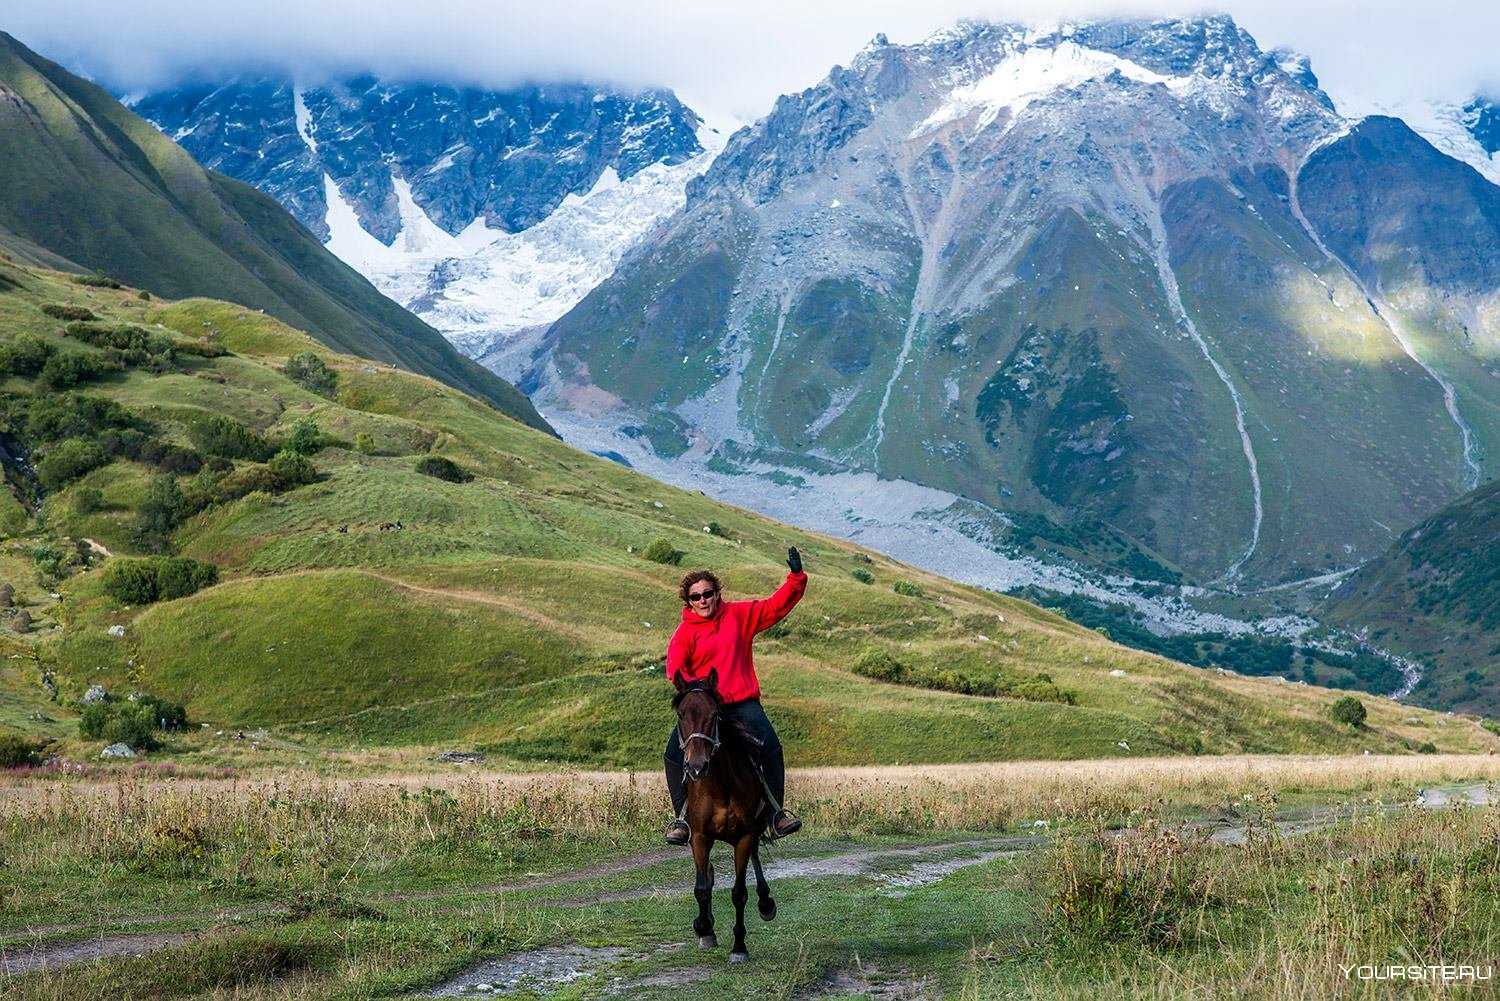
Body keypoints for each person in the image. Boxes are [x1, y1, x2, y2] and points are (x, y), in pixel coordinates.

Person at [664, 546, 808, 845]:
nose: (703, 600)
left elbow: (776, 606)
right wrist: (699, 689)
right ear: (688, 601)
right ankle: (682, 819)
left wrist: (796, 577)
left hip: (742, 703)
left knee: (770, 745)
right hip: (705, 707)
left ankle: (775, 815)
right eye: (696, 596)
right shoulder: (685, 632)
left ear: (717, 593)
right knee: (672, 753)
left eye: (708, 593)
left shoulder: (740, 615)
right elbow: (674, 668)